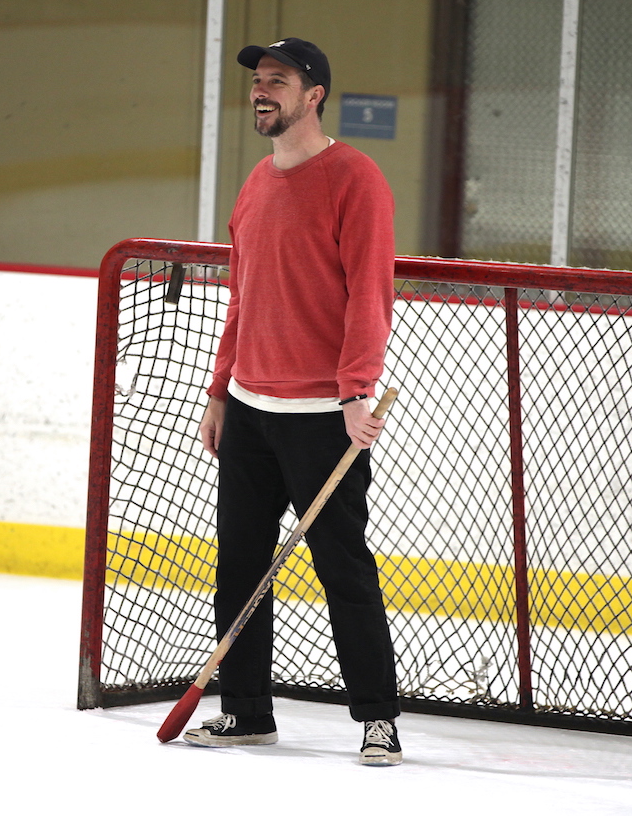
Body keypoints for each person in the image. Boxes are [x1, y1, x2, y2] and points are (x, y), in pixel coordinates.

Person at [185, 38, 402, 766]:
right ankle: (246, 712)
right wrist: (220, 389)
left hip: (320, 418)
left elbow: (369, 294)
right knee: (239, 567)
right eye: (258, 80)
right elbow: (242, 297)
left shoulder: (355, 179)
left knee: (343, 568)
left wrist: (355, 391)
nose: (261, 90)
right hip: (249, 410)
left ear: (314, 96)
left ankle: (377, 718)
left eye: (278, 80)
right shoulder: (255, 182)